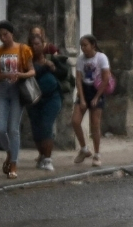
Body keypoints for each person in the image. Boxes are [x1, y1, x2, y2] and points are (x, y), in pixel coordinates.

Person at [0, 21, 34, 178]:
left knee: (13, 129)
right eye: (0, 35)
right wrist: (5, 75)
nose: (3, 37)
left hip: (17, 91)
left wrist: (20, 75)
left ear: (12, 33)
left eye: (5, 34)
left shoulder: (23, 49)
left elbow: (32, 71)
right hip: (2, 90)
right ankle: (9, 151)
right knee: (0, 129)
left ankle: (14, 163)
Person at [27, 26, 65, 172]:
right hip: (34, 98)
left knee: (46, 125)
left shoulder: (51, 57)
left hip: (52, 97)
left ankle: (48, 159)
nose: (36, 47)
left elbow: (64, 72)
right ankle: (42, 155)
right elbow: (28, 74)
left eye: (38, 44)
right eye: (33, 44)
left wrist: (53, 67)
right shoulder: (26, 61)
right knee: (37, 129)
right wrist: (44, 67)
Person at [72, 35, 110, 165]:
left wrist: (97, 97)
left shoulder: (101, 58)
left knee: (95, 124)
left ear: (93, 45)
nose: (83, 48)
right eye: (81, 46)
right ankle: (84, 149)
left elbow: (106, 79)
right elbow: (78, 79)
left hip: (96, 90)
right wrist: (82, 98)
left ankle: (97, 154)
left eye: (85, 45)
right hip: (84, 90)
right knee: (75, 121)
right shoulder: (80, 60)